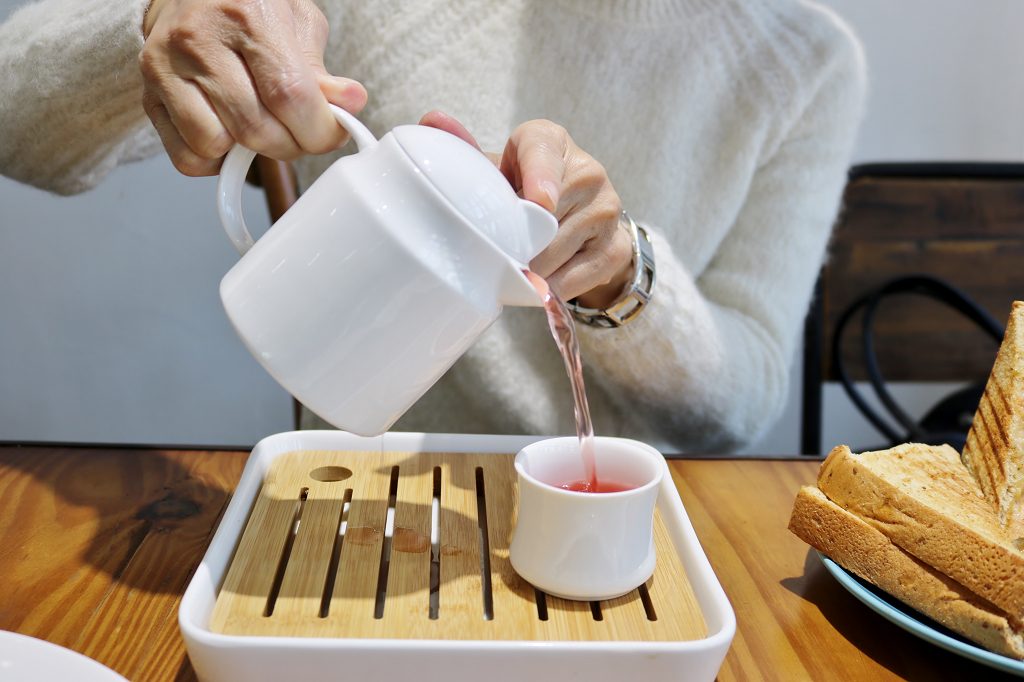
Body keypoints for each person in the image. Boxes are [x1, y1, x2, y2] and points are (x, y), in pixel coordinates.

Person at [0, 0, 865, 452]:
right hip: (348, 486)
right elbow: (14, 123)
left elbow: (738, 408)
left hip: (592, 514)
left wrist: (619, 274)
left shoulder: (808, 62)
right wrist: (157, 25)